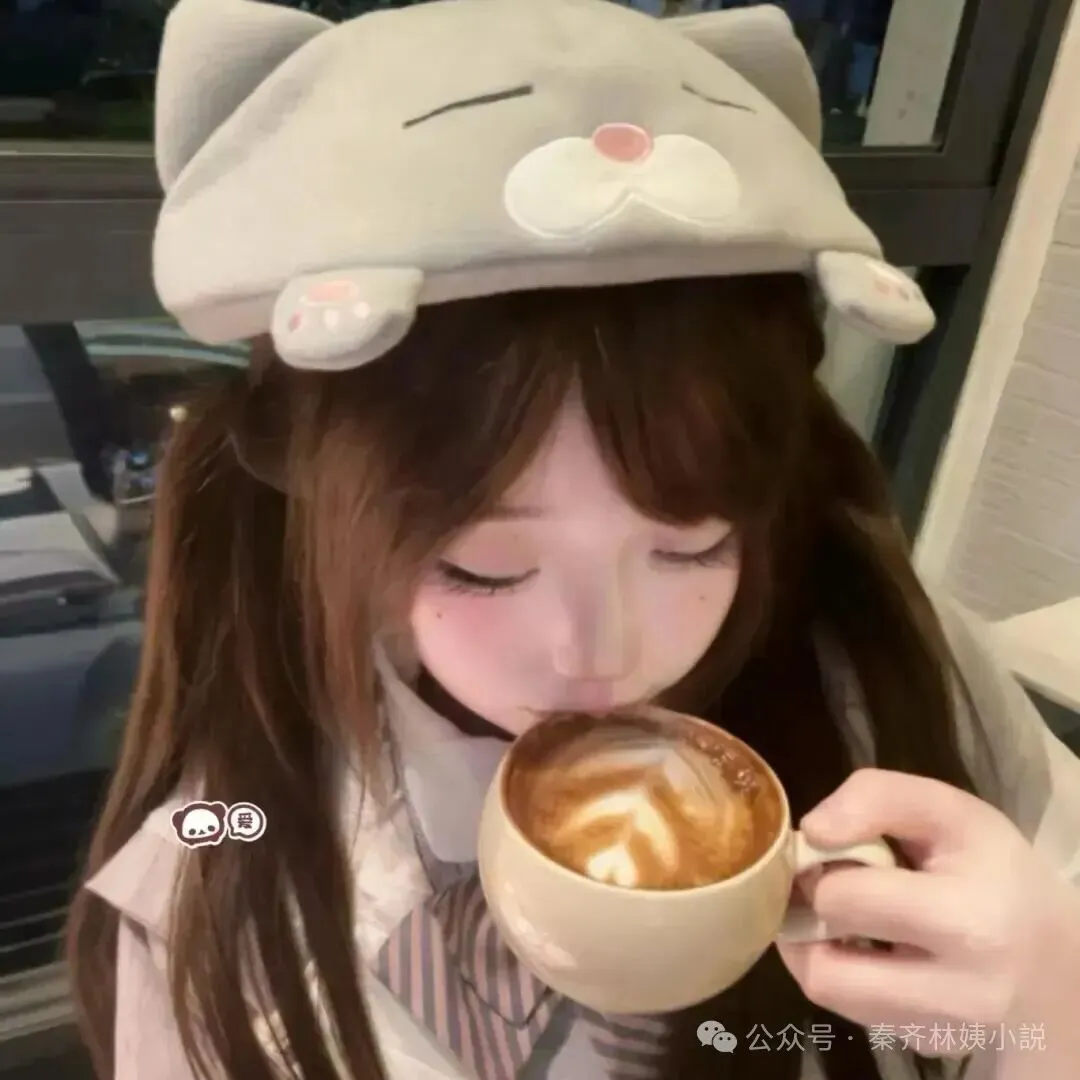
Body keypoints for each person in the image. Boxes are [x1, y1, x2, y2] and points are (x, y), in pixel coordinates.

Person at [66, 1, 1080, 1079]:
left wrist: (1051, 1010)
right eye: (487, 567)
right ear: (316, 493)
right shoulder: (236, 832)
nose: (599, 653)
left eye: (691, 548)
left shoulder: (884, 676)